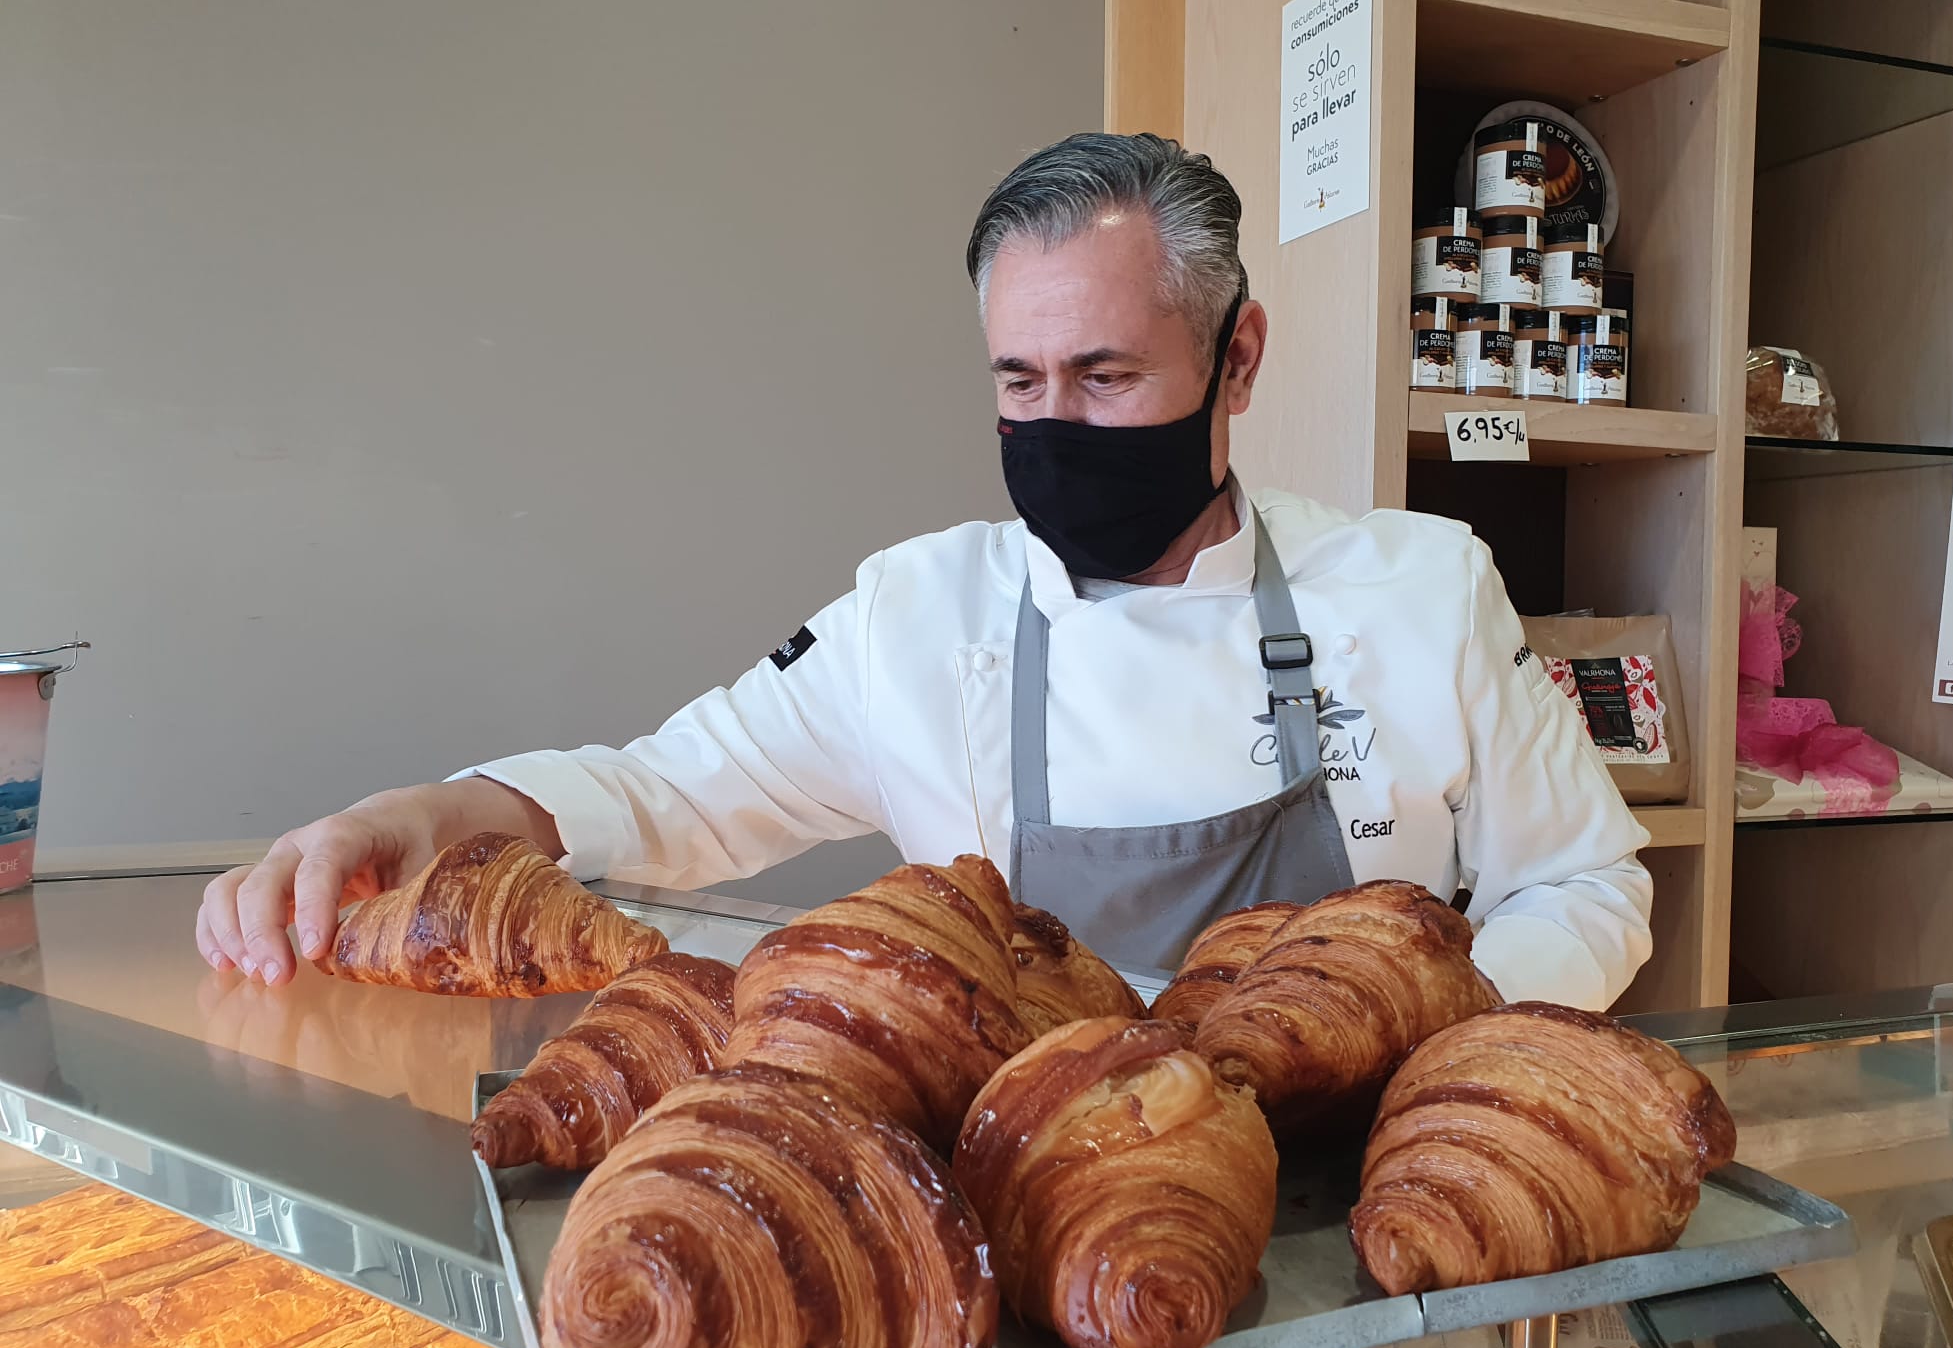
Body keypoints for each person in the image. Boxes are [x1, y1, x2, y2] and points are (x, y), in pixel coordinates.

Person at [196, 133, 1651, 1007]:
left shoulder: (1420, 590)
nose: (1055, 425)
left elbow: (1589, 888)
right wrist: (425, 813)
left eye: (1106, 373)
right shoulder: (920, 618)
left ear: (1239, 358)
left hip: (1367, 1252)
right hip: (1035, 1253)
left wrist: (1407, 1026)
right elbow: (662, 795)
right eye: (1019, 380)